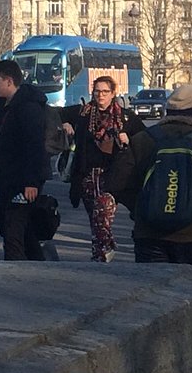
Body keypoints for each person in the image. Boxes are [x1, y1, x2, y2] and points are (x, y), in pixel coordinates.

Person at [109, 83, 192, 266]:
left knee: (151, 289)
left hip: (149, 234)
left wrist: (142, 208)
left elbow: (116, 183)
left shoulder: (142, 140)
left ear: (168, 109)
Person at [59, 75, 144, 262]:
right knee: (95, 218)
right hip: (88, 174)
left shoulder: (125, 117)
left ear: (113, 93)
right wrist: (65, 123)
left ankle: (104, 249)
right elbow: (58, 113)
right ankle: (100, 251)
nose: (100, 96)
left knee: (102, 209)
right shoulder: (84, 113)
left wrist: (128, 140)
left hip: (114, 175)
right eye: (97, 91)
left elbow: (144, 140)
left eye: (105, 92)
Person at [0, 59, 50, 261]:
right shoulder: (6, 106)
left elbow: (34, 146)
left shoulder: (27, 107)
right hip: (9, 178)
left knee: (13, 229)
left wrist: (31, 182)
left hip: (22, 180)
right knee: (20, 227)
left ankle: (14, 269)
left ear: (9, 81)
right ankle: (39, 263)